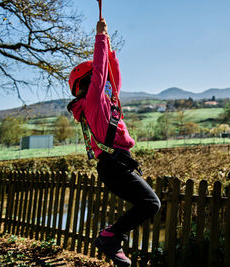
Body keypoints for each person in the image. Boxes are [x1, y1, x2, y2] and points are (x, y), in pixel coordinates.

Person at [67, 19, 161, 267]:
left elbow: (112, 76)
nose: (107, 82)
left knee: (148, 203)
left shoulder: (106, 104)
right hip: (113, 165)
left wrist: (109, 47)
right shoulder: (94, 103)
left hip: (118, 164)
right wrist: (100, 37)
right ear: (89, 83)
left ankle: (112, 236)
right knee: (151, 203)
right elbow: (100, 71)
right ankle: (110, 237)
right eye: (100, 80)